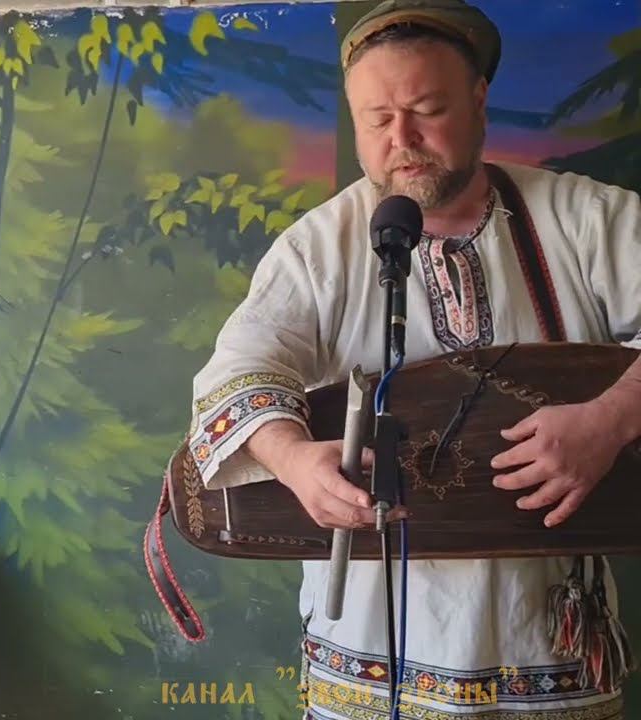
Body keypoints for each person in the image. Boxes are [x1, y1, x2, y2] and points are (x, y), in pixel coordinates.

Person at [187, 1, 641, 718]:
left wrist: (611, 419)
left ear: (479, 101)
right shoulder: (317, 249)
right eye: (377, 120)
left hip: (544, 639)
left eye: (428, 110)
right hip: (364, 652)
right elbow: (234, 373)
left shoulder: (590, 221)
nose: (403, 139)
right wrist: (293, 460)